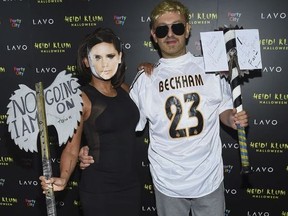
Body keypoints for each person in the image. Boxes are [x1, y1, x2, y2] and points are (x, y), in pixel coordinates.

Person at [79, 0, 249, 216]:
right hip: (167, 182)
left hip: (209, 178)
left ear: (187, 29)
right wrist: (88, 147)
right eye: (162, 29)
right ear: (153, 35)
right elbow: (119, 122)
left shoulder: (211, 69)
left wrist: (233, 119)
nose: (170, 34)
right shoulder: (146, 79)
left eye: (177, 27)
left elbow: (224, 109)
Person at [39, 27, 141, 216]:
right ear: (86, 61)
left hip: (131, 185)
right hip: (100, 189)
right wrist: (63, 177)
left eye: (110, 56)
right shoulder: (81, 98)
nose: (104, 64)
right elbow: (71, 148)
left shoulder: (125, 90)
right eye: (97, 57)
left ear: (119, 57)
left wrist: (149, 67)